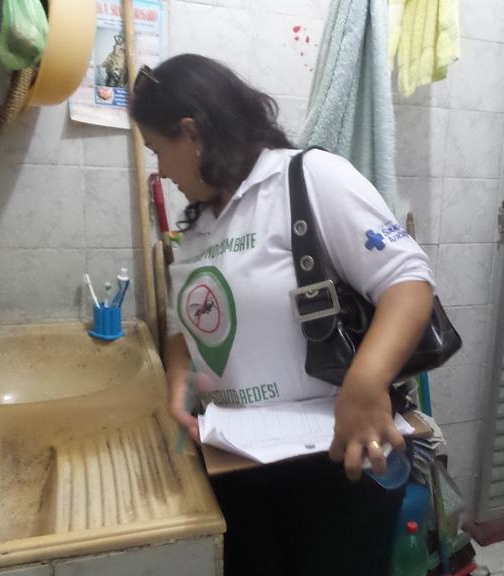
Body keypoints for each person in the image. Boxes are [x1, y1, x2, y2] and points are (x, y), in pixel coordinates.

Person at [129, 54, 435, 575]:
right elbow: (184, 328)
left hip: (332, 462)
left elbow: (408, 282)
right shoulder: (198, 224)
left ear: (193, 133)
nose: (159, 169)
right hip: (236, 462)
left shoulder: (308, 178)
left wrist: (366, 382)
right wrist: (178, 385)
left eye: (158, 150)